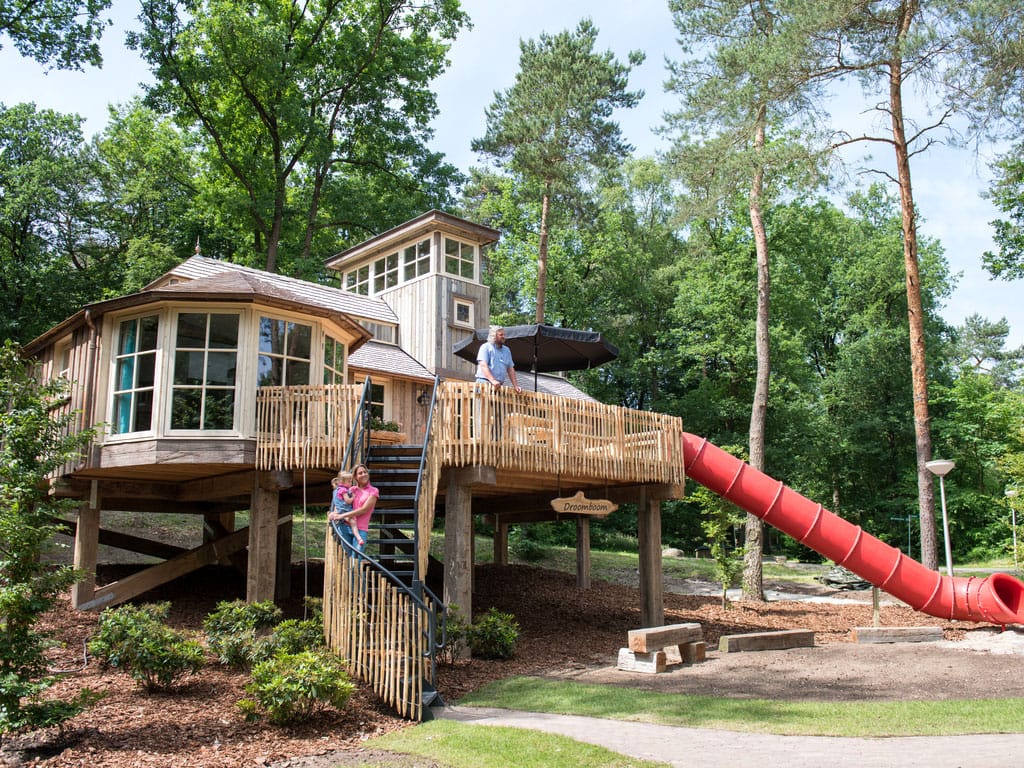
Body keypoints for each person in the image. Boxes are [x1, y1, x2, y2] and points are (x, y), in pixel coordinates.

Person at [342, 463, 378, 556]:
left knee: (355, 559)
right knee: (346, 558)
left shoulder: (373, 491)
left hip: (361, 530)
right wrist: (334, 512)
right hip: (346, 527)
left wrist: (342, 515)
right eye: (360, 473)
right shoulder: (351, 490)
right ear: (355, 477)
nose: (363, 474)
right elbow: (341, 501)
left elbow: (364, 510)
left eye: (365, 472)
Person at [475, 325, 522, 393]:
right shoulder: (485, 347)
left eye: (504, 334)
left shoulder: (507, 350)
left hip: (498, 385)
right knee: (481, 400)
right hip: (484, 382)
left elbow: (510, 369)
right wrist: (492, 380)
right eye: (501, 335)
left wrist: (516, 386)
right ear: (494, 336)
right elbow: (483, 365)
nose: (503, 336)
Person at [328, 469, 364, 549]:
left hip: (339, 510)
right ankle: (359, 538)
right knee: (353, 522)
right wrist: (353, 497)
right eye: (349, 481)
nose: (351, 483)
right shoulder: (343, 490)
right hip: (344, 511)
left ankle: (334, 522)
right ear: (342, 482)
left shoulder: (336, 490)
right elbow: (348, 501)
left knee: (343, 521)